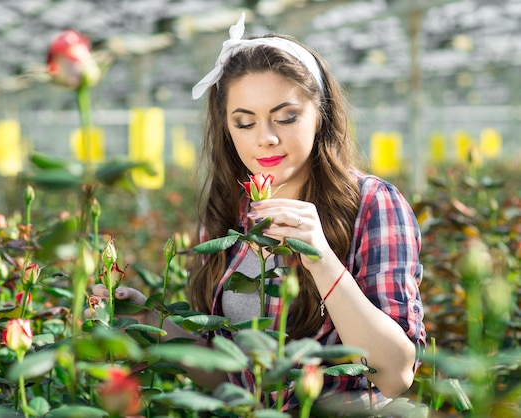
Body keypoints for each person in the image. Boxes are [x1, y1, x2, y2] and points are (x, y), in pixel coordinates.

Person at [89, 13, 425, 414]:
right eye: (244, 123)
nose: (265, 138)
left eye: (286, 117)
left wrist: (319, 258)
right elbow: (229, 375)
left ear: (321, 115)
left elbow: (396, 374)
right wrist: (150, 319)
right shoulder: (228, 216)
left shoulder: (371, 204)